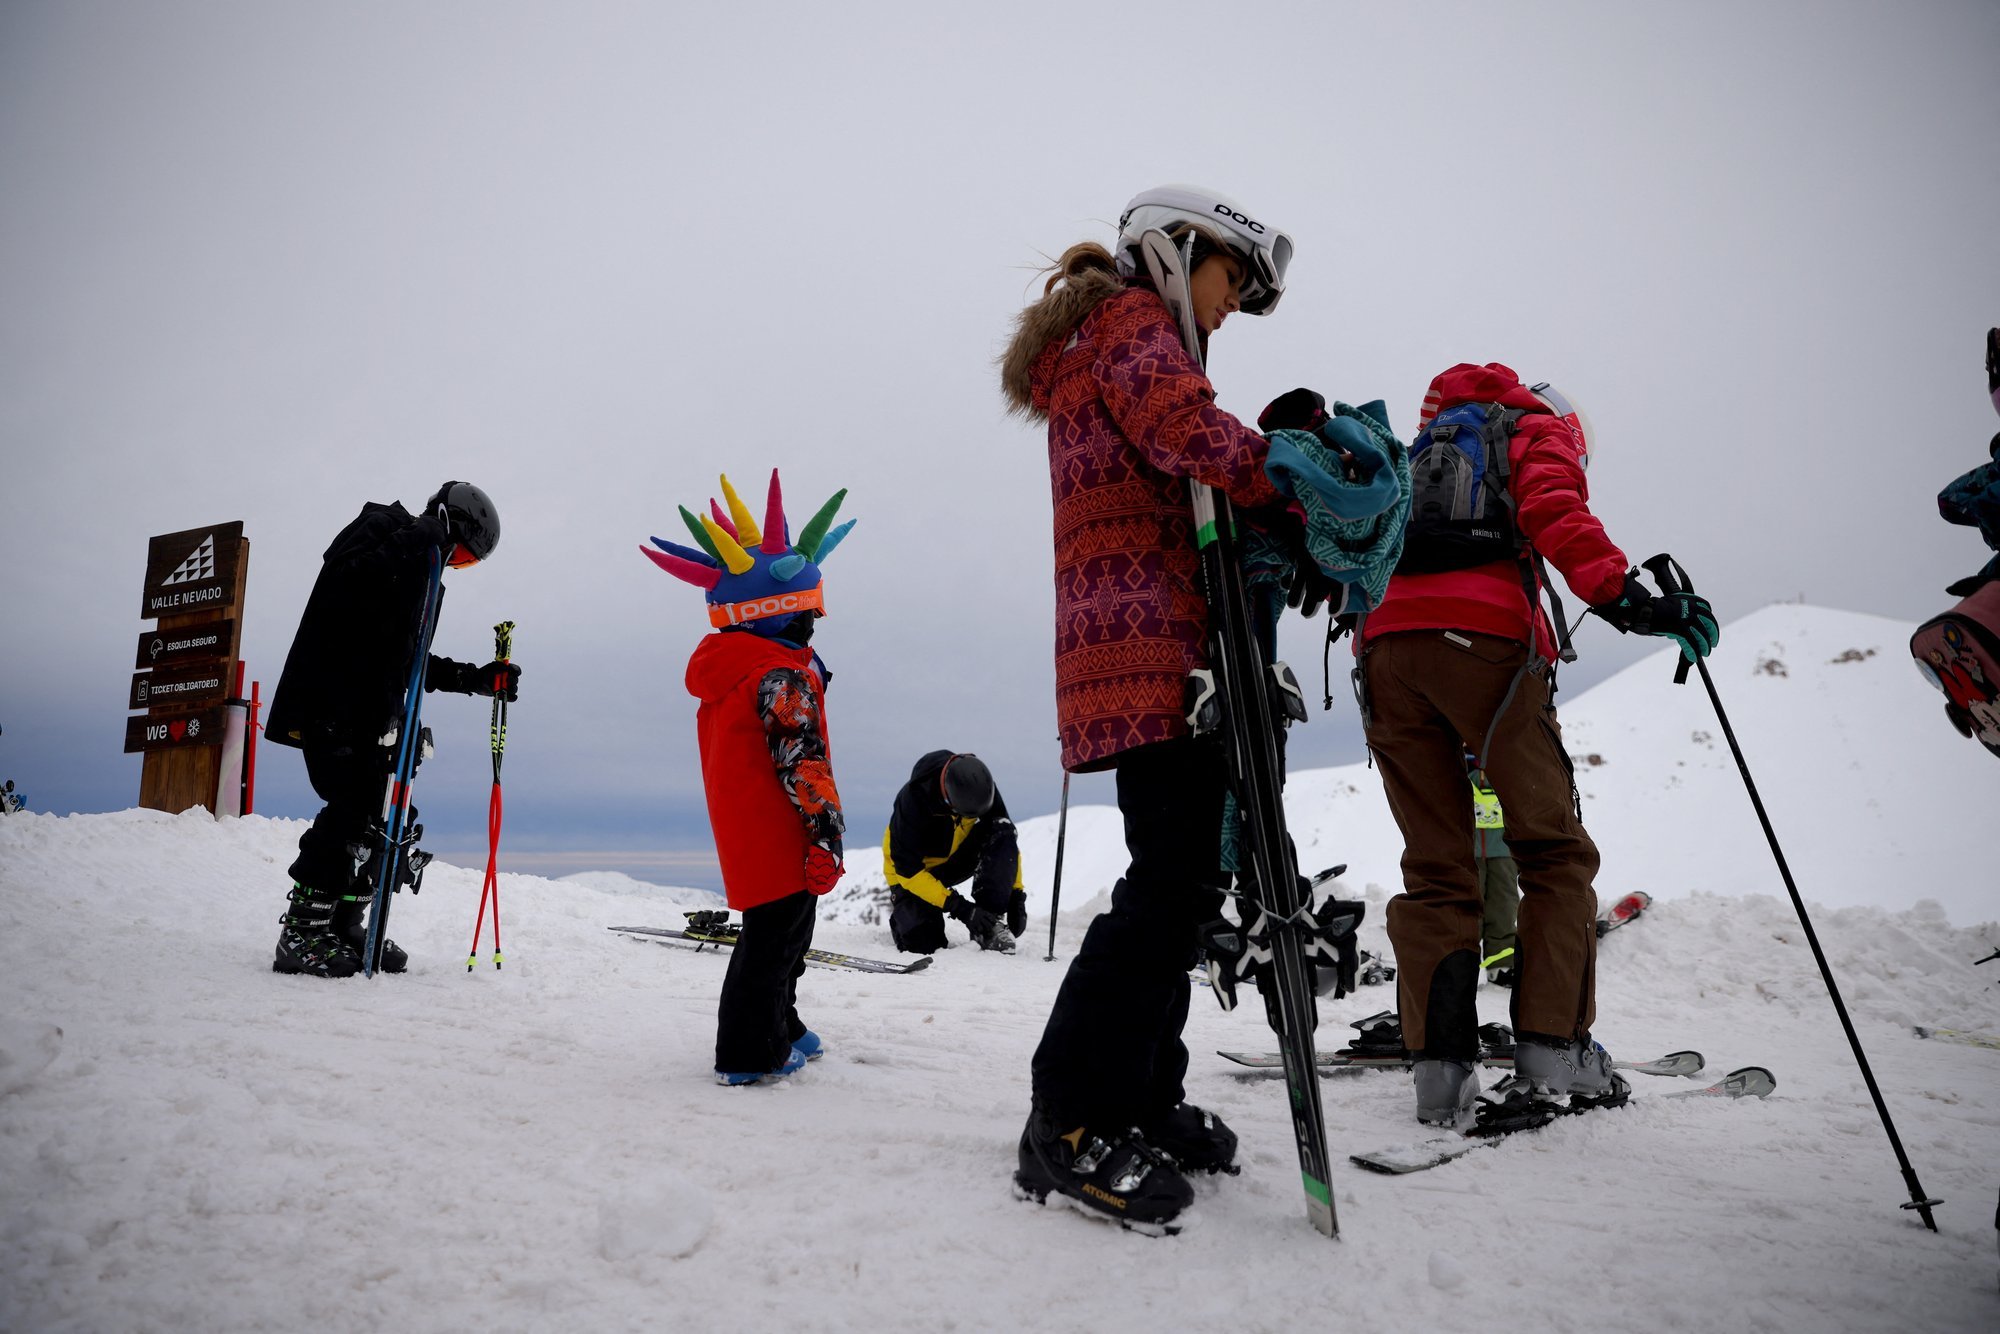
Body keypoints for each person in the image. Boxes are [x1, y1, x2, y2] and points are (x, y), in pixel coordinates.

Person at [999, 184, 1296, 1230]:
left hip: (1148, 639)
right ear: (1178, 252)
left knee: (1181, 882)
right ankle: (1066, 1118)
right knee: (1166, 884)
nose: (1224, 312)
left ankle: (1138, 1091)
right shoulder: (1127, 324)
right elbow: (1183, 430)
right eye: (1228, 285)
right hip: (1146, 643)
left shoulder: (1108, 332)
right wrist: (1288, 477)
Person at [1356, 363, 1718, 1128]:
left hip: (1383, 647)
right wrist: (1627, 598)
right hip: (1484, 645)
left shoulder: (1414, 446)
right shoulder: (1528, 427)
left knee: (1435, 864)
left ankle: (1440, 1071)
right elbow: (1558, 513)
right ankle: (1556, 1046)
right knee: (1552, 852)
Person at [642, 469, 855, 1086]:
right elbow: (802, 760)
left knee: (786, 934)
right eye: (807, 612)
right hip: (783, 827)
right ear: (776, 614)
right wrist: (825, 833)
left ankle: (781, 1025)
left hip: (748, 826)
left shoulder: (735, 666)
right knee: (771, 943)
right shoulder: (777, 676)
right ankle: (746, 1051)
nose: (814, 622)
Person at [265, 482, 521, 979]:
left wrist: (474, 678)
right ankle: (300, 931)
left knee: (387, 815)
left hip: (377, 714)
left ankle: (344, 924)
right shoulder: (382, 525)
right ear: (449, 524)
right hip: (331, 703)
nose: (454, 564)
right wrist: (418, 535)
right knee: (352, 807)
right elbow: (344, 582)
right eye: (463, 554)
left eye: (465, 563)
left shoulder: (425, 576)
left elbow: (406, 659)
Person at [882, 751, 1025, 954]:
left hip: (953, 861)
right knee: (924, 942)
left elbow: (1005, 838)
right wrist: (962, 909)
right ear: (948, 799)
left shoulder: (982, 789)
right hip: (910, 876)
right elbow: (908, 873)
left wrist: (1016, 895)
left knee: (1000, 828)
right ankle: (903, 918)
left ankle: (988, 926)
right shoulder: (913, 801)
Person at [1467, 754, 1521, 988]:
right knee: (1468, 910)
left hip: (1502, 849)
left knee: (1504, 909)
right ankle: (1461, 965)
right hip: (1468, 850)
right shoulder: (1458, 761)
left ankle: (1501, 967)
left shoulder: (1508, 759)